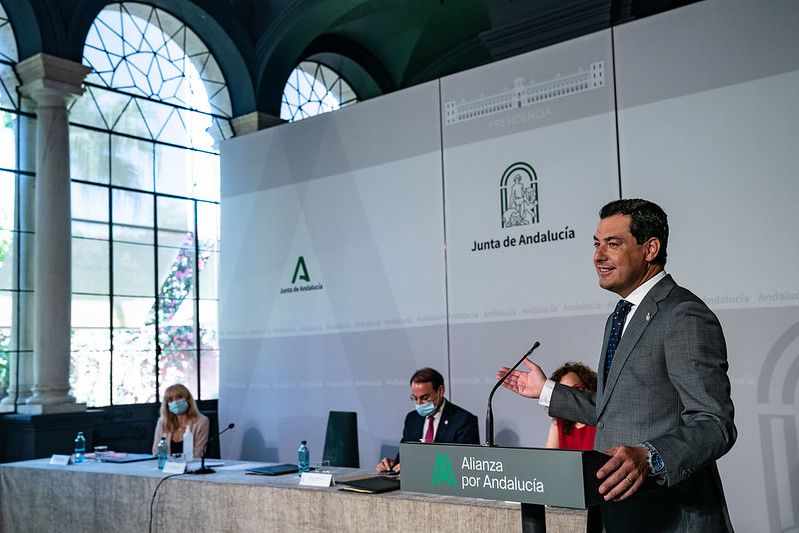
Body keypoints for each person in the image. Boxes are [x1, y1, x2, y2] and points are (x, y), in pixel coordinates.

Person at [497, 199, 736, 532]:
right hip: (617, 513)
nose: (598, 255)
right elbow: (615, 410)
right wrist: (548, 392)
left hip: (669, 515)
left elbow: (713, 423)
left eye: (613, 243)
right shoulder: (619, 317)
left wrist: (649, 457)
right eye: (596, 244)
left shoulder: (683, 314)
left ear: (650, 248)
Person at [376, 367, 480, 472]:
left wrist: (418, 466)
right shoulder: (412, 419)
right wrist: (392, 464)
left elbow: (466, 464)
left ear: (440, 391)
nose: (419, 403)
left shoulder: (464, 420)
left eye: (424, 398)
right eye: (415, 398)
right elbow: (404, 458)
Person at [544, 362, 597, 451]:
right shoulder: (558, 423)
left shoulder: (601, 420)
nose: (571, 397)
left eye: (576, 389)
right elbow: (550, 459)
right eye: (565, 393)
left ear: (588, 387)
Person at [151, 383, 210, 458]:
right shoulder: (162, 422)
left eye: (179, 397)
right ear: (167, 404)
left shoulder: (202, 421)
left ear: (188, 399)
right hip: (167, 467)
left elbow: (199, 454)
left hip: (191, 467)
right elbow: (156, 452)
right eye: (170, 399)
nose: (175, 402)